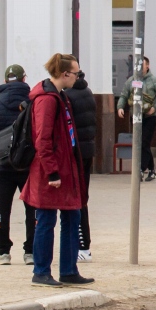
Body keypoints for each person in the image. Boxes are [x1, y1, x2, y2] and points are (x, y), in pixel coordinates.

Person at [21, 53, 94, 288]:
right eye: (76, 73)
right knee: (46, 220)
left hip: (66, 167)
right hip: (51, 172)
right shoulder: (47, 99)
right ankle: (41, 271)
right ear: (65, 74)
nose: (78, 77)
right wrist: (52, 172)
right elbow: (42, 140)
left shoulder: (61, 96)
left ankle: (69, 270)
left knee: (73, 216)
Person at [0, 64, 35, 265]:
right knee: (33, 208)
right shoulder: (32, 103)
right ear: (24, 80)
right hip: (28, 166)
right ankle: (31, 252)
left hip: (1, 167)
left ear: (4, 82)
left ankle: (3, 252)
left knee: (0, 208)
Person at [117, 56, 156, 181]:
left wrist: (155, 107)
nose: (139, 68)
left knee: (144, 142)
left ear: (147, 66)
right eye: (137, 66)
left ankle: (140, 169)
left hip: (149, 116)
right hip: (135, 117)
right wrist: (120, 107)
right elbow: (124, 95)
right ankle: (151, 170)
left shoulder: (153, 80)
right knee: (140, 143)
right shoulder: (131, 80)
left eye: (142, 65)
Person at [64, 70, 97, 262]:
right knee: (82, 197)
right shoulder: (87, 91)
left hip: (75, 153)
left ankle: (81, 247)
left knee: (75, 200)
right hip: (87, 151)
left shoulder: (68, 96)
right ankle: (84, 245)